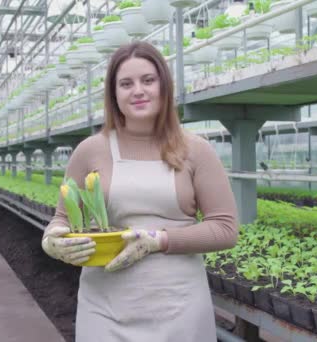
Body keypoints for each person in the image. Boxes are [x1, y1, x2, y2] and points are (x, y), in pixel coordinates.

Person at [41, 41, 239, 341]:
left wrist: (158, 240)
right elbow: (62, 218)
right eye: (126, 83)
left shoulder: (196, 150)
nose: (138, 90)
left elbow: (225, 229)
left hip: (179, 306)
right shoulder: (90, 150)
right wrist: (51, 239)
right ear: (113, 94)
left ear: (164, 86)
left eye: (148, 80)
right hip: (105, 307)